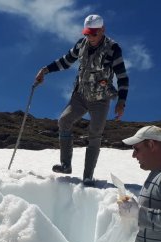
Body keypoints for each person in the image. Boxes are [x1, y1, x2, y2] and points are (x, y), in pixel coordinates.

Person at [35, 14, 129, 186]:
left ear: (102, 30)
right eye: (87, 33)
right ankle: (65, 165)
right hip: (80, 95)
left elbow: (122, 77)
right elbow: (65, 61)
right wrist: (45, 70)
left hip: (100, 99)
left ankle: (87, 176)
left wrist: (121, 101)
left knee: (95, 134)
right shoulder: (81, 44)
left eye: (93, 33)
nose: (90, 37)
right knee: (64, 120)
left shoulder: (113, 49)